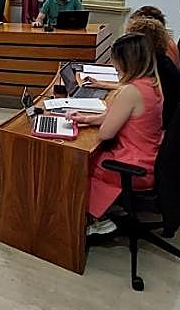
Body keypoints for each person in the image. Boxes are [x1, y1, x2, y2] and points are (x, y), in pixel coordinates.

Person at [65, 33, 164, 236]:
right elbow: (116, 116)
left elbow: (105, 134)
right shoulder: (151, 83)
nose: (114, 67)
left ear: (128, 62)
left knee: (79, 162)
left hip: (134, 166)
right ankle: (106, 207)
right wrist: (85, 118)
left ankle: (98, 219)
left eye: (116, 63)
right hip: (149, 156)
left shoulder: (131, 92)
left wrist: (96, 124)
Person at [83, 17, 180, 126]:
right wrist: (103, 85)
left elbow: (136, 92)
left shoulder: (155, 67)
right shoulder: (160, 61)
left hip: (157, 123)